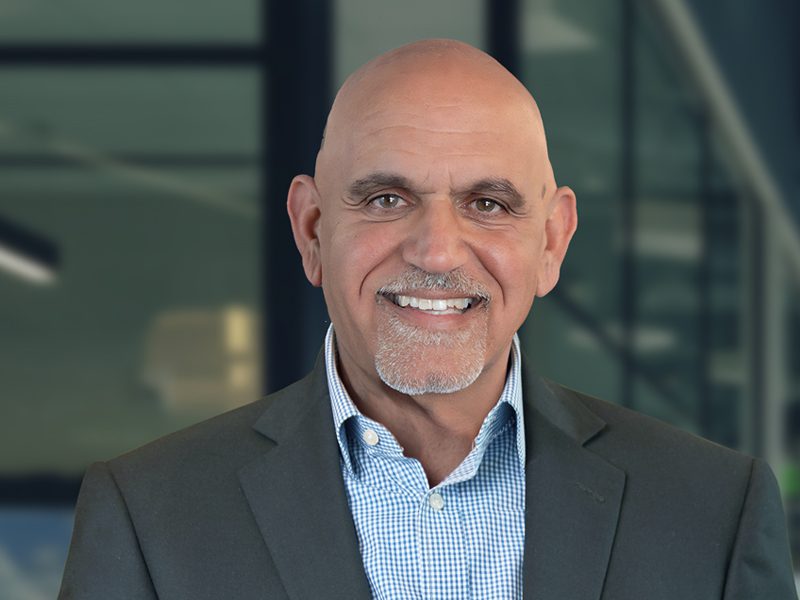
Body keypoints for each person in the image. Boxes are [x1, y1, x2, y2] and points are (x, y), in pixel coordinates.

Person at [59, 39, 797, 599]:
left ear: (551, 241)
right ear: (312, 229)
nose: (438, 251)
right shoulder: (151, 517)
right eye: (386, 199)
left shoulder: (713, 513)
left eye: (489, 204)